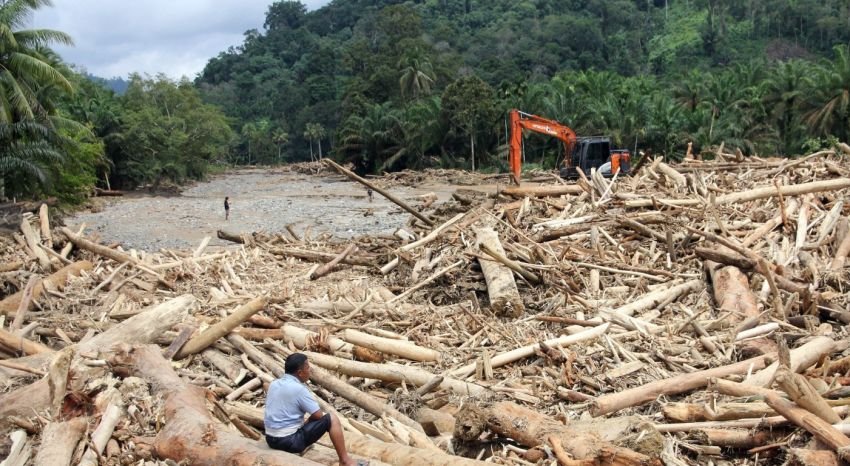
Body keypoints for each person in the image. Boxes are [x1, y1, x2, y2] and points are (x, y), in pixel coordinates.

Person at [264, 353, 357, 465]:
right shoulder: (299, 389)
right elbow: (318, 415)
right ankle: (345, 460)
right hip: (289, 442)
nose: (310, 370)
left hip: (270, 439)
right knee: (332, 419)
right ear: (300, 372)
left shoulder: (274, 383)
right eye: (308, 367)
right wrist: (308, 422)